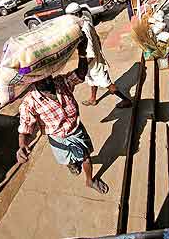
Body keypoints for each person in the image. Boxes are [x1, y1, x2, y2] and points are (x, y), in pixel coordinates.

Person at [17, 36, 109, 194]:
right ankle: (71, 164)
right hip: (58, 137)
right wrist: (22, 145)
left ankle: (89, 180)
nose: (48, 81)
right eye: (42, 80)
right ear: (34, 82)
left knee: (86, 157)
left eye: (48, 76)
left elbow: (80, 74)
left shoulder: (60, 82)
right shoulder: (30, 102)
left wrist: (81, 53)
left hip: (76, 129)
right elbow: (25, 126)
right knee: (68, 160)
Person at [65, 3, 132, 108]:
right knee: (92, 80)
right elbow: (97, 39)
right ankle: (93, 99)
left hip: (93, 62)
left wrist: (82, 66)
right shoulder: (85, 23)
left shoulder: (84, 29)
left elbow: (90, 53)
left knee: (106, 83)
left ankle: (126, 100)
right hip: (91, 60)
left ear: (76, 14)